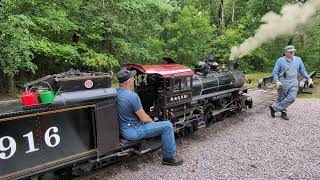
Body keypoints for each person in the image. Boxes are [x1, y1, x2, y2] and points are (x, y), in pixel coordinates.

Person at [116, 68, 183, 166]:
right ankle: (168, 158)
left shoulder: (116, 92)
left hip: (123, 129)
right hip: (134, 131)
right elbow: (144, 118)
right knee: (168, 125)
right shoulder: (132, 96)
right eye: (132, 78)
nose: (134, 80)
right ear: (128, 81)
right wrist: (152, 122)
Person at [269, 45, 313, 120]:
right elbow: (275, 72)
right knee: (281, 98)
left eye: (293, 51)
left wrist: (308, 78)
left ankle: (274, 108)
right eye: (290, 51)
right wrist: (276, 81)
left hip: (294, 81)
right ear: (285, 52)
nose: (292, 52)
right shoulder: (280, 60)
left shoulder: (298, 59)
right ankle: (283, 113)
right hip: (283, 81)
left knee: (292, 98)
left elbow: (302, 70)